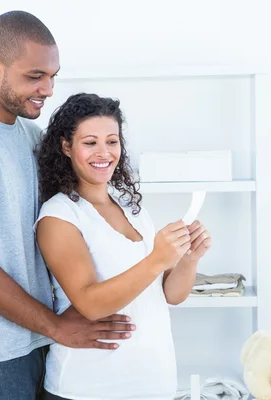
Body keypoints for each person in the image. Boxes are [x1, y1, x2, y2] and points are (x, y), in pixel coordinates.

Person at [0, 12, 134, 400]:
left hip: (37, 342)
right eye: (35, 76)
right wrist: (56, 326)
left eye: (53, 76)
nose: (48, 89)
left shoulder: (30, 134)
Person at [35, 93, 213, 400]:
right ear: (67, 147)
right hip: (87, 388)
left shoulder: (130, 205)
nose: (104, 152)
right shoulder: (59, 216)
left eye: (112, 141)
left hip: (153, 383)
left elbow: (171, 294)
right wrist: (157, 259)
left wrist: (188, 260)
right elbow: (90, 304)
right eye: (90, 142)